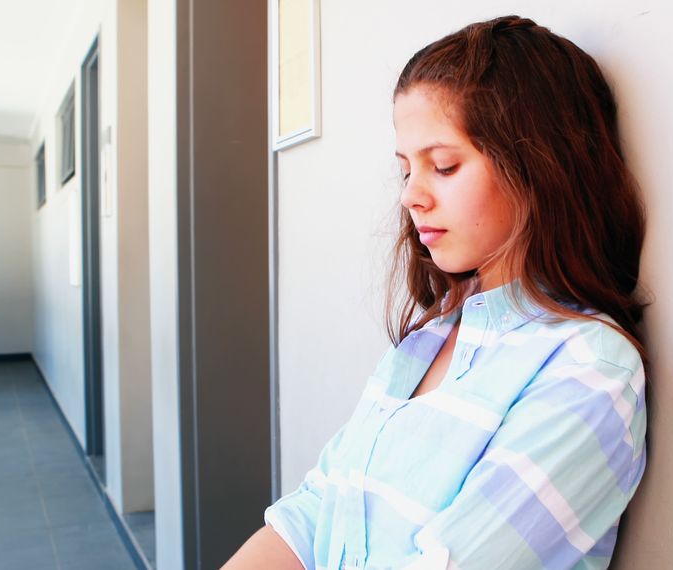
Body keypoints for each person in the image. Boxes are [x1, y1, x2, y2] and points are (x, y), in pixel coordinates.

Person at [225, 14, 648, 570]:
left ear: (539, 165)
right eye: (406, 170)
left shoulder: (590, 370)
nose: (411, 197)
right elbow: (320, 509)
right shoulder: (428, 339)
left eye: (443, 166)